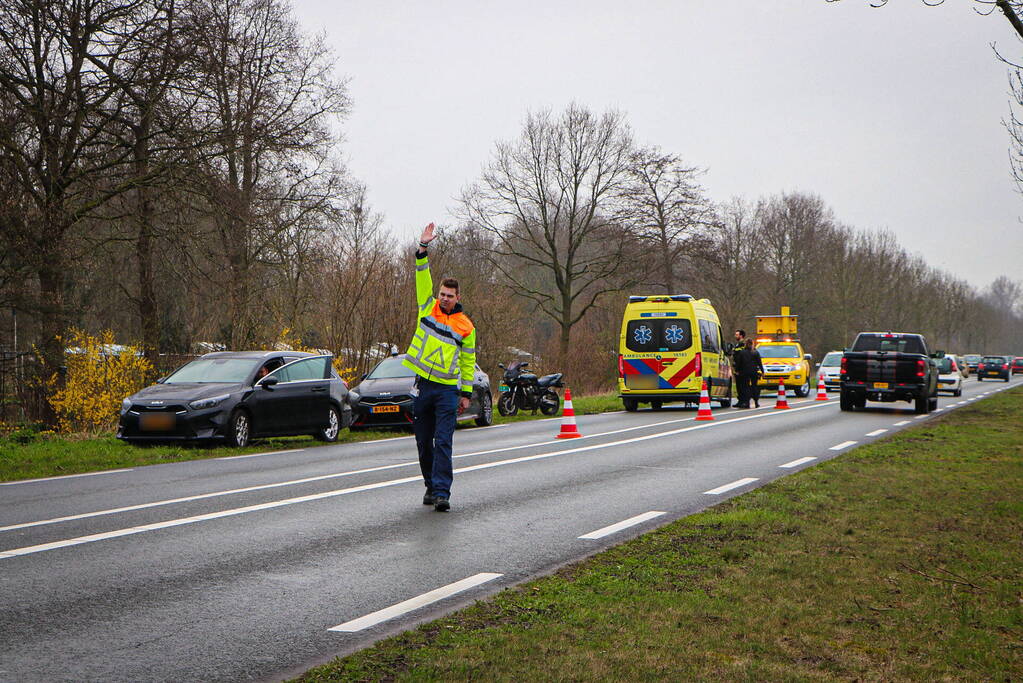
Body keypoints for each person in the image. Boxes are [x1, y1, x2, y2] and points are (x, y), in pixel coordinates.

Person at [402, 222, 477, 512]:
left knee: (443, 441)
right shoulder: (427, 307)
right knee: (424, 443)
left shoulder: (466, 326)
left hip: (447, 390)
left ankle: (443, 492)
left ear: (458, 298)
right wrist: (423, 248)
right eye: (442, 294)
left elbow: (468, 361)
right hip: (423, 385)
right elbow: (422, 275)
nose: (445, 299)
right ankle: (431, 486)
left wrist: (466, 392)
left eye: (450, 295)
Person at [733, 338, 764, 408]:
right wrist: (762, 371)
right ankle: (756, 402)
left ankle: (747, 402)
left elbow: (739, 363)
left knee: (745, 387)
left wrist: (737, 370)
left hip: (744, 372)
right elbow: (759, 363)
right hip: (754, 372)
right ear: (752, 344)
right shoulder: (755, 352)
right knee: (754, 386)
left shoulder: (742, 352)